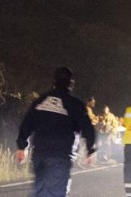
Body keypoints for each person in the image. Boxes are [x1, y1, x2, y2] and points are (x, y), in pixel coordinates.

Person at [16, 66, 96, 197]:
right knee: (57, 193)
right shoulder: (75, 104)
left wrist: (21, 147)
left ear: (54, 81)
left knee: (40, 192)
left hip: (40, 155)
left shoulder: (41, 100)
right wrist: (90, 149)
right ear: (71, 83)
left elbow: (27, 123)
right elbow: (87, 128)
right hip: (61, 156)